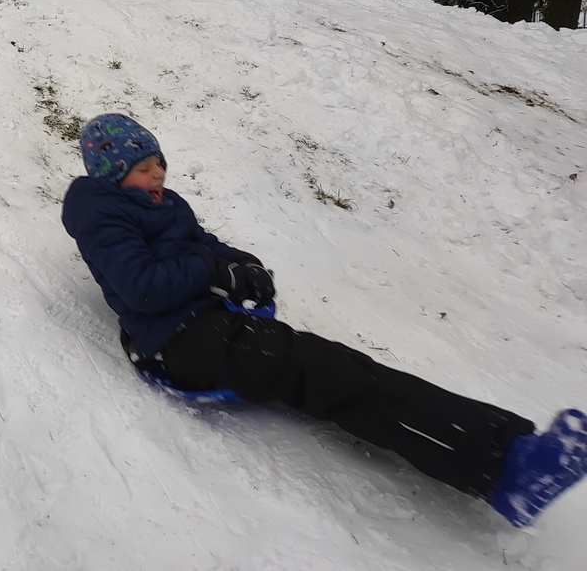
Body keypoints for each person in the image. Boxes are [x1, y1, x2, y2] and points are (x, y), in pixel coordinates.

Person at [61, 113, 587, 529]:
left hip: (209, 323)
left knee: (331, 365)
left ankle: (506, 452)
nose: (158, 174)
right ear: (112, 172)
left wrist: (244, 266)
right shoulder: (101, 214)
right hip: (177, 341)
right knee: (329, 371)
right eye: (144, 167)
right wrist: (214, 273)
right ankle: (506, 468)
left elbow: (207, 246)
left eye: (159, 162)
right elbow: (142, 286)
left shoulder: (167, 204)